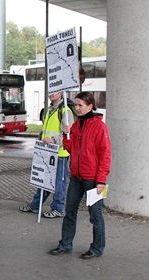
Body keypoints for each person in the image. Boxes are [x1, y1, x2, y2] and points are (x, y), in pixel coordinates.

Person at [49, 91, 111, 259]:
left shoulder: (99, 127)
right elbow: (69, 148)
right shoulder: (76, 125)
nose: (76, 108)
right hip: (76, 176)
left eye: (80, 105)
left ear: (90, 106)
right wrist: (66, 133)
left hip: (92, 179)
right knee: (70, 211)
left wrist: (101, 181)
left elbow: (105, 155)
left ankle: (97, 248)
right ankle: (65, 244)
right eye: (75, 105)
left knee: (95, 215)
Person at [19, 91, 74, 218]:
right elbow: (45, 130)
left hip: (60, 153)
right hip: (47, 152)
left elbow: (69, 134)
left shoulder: (65, 111)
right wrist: (40, 141)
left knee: (59, 183)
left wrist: (53, 140)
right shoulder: (50, 110)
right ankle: (35, 205)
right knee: (44, 181)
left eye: (55, 91)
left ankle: (58, 209)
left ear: (61, 93)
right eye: (50, 92)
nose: (51, 94)